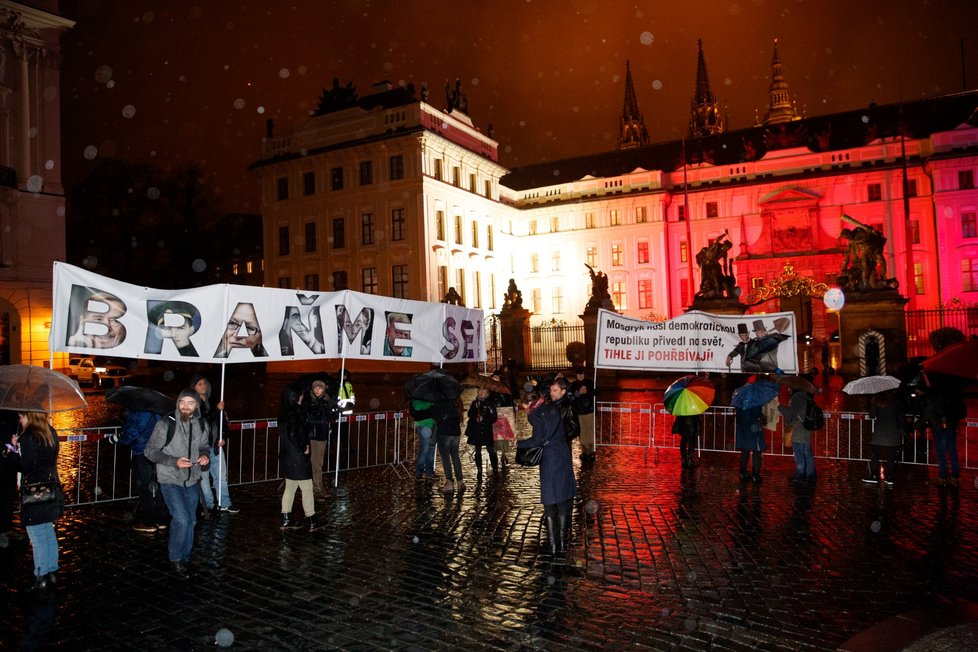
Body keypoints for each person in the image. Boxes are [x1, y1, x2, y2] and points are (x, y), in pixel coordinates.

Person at [144, 389, 210, 579]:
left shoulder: (201, 424)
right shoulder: (166, 424)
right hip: (170, 479)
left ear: (197, 405)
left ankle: (186, 559)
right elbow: (150, 451)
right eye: (182, 402)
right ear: (178, 403)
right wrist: (174, 461)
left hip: (192, 479)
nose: (186, 406)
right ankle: (176, 559)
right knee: (182, 519)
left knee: (192, 520)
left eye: (190, 402)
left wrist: (204, 456)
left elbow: (204, 446)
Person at [517, 377, 577, 560]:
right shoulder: (550, 409)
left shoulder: (539, 414)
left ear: (531, 403)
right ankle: (561, 543)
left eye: (524, 407)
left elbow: (539, 439)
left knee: (550, 501)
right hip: (561, 457)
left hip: (551, 461)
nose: (525, 411)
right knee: (562, 498)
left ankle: (554, 545)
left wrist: (520, 442)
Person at [17, 411, 63, 590]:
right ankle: (51, 571)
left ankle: (41, 575)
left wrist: (13, 452)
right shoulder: (50, 431)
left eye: (21, 417)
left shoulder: (28, 437)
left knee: (36, 535)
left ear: (29, 416)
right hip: (50, 487)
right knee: (47, 530)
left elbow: (26, 466)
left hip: (34, 492)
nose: (20, 421)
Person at [278, 387, 327, 531]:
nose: (301, 398)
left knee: (290, 488)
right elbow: (293, 433)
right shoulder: (294, 413)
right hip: (297, 457)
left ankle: (286, 518)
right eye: (299, 396)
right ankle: (312, 519)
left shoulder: (284, 413)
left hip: (287, 456)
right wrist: (303, 447)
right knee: (306, 488)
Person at [190, 374, 238, 514]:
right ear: (193, 387)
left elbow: (223, 422)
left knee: (220, 476)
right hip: (201, 447)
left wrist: (223, 437)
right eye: (199, 384)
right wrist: (217, 410)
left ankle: (224, 503)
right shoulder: (193, 404)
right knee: (204, 478)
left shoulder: (213, 401)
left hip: (216, 446)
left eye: (204, 383)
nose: (203, 386)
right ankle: (208, 504)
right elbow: (203, 421)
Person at [117, 409, 170, 532]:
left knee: (144, 487)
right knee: (158, 485)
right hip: (156, 453)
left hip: (141, 453)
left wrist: (119, 438)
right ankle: (161, 519)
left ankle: (149, 522)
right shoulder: (157, 412)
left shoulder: (134, 412)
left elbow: (131, 434)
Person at [413, 397, 464, 493]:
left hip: (444, 433)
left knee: (446, 459)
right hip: (456, 433)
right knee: (455, 457)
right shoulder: (456, 400)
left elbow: (436, 416)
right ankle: (460, 482)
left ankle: (449, 483)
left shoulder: (440, 401)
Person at [922, 390, 964, 487]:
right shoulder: (952, 398)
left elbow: (926, 415)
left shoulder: (935, 400)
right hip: (951, 429)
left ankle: (943, 477)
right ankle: (954, 477)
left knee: (941, 454)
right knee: (952, 453)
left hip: (940, 429)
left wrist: (913, 426)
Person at [303, 379, 336, 500]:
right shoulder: (308, 401)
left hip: (322, 435)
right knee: (315, 463)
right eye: (315, 388)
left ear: (323, 389)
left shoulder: (328, 400)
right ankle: (316, 488)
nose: (317, 390)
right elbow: (307, 416)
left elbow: (334, 414)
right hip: (312, 435)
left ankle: (318, 486)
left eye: (320, 388)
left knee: (319, 463)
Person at [864, 389, 903, 486]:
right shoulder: (896, 401)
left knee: (875, 455)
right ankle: (889, 477)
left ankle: (873, 476)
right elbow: (900, 416)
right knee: (891, 457)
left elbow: (872, 416)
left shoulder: (877, 401)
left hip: (879, 433)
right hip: (893, 433)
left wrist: (873, 404)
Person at [779, 388, 816, 483]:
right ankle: (810, 475)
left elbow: (791, 414)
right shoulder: (806, 398)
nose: (788, 390)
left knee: (799, 454)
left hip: (798, 431)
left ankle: (800, 475)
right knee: (807, 453)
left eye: (790, 388)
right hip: (806, 431)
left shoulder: (796, 398)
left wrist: (779, 407)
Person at [465, 387, 498, 479]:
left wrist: (484, 419)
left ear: (487, 395)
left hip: (486, 430)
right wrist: (474, 412)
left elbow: (494, 417)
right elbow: (470, 414)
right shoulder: (474, 403)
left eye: (482, 393)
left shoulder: (490, 404)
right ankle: (479, 469)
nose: (479, 395)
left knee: (491, 449)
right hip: (477, 430)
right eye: (479, 393)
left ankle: (495, 467)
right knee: (478, 450)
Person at [568, 367, 596, 461]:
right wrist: (578, 393)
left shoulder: (590, 383)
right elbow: (571, 397)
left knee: (589, 431)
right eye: (578, 374)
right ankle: (584, 451)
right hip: (578, 412)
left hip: (588, 411)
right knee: (582, 432)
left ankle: (591, 451)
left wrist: (587, 392)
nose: (580, 376)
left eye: (582, 374)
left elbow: (595, 393)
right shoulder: (573, 385)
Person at [0, 410, 19, 544]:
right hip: (5, 463)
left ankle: (6, 526)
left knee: (8, 494)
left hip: (8, 464)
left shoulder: (11, 415)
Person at [734, 402, 765, 483]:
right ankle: (755, 475)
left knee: (745, 451)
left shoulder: (740, 401)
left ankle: (742, 472)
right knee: (756, 452)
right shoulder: (754, 401)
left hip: (743, 429)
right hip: (753, 429)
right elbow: (756, 414)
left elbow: (738, 416)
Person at [411, 397, 437, 481]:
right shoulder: (417, 398)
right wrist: (430, 406)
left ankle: (429, 472)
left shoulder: (430, 396)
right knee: (425, 449)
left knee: (431, 449)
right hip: (424, 426)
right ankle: (419, 472)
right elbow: (417, 407)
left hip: (433, 425)